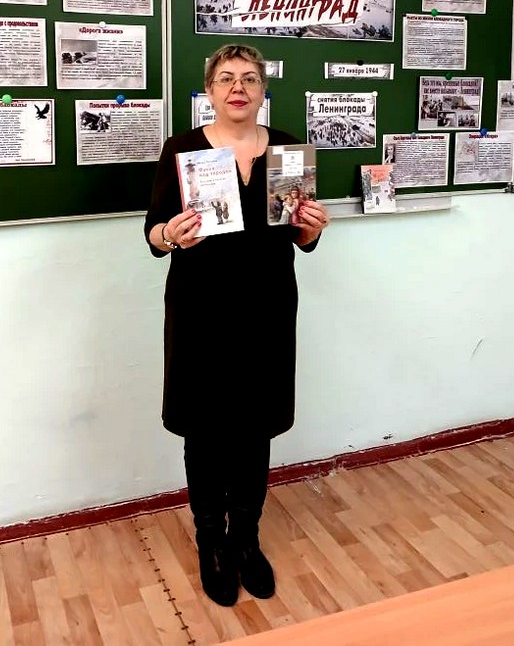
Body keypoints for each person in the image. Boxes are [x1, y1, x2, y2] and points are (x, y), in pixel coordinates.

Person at [144, 44, 329, 608]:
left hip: (267, 310)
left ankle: (245, 539)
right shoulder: (182, 149)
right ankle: (211, 542)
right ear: (210, 90)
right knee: (204, 429)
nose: (238, 88)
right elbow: (153, 233)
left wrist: (312, 229)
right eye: (226, 78)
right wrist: (171, 235)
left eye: (249, 78)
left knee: (254, 427)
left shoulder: (289, 150)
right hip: (200, 311)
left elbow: (300, 235)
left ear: (263, 89)